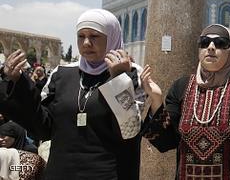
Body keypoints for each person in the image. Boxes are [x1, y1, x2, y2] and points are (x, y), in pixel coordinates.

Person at [0, 9, 145, 180]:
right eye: (80, 36)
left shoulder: (131, 73)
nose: (86, 43)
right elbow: (43, 127)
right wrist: (19, 82)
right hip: (61, 172)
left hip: (108, 174)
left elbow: (130, 130)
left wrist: (119, 80)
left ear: (111, 36)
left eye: (94, 36)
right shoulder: (61, 73)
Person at [141, 24, 230, 179]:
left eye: (220, 43)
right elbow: (165, 142)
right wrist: (156, 100)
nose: (210, 47)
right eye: (204, 42)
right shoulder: (181, 86)